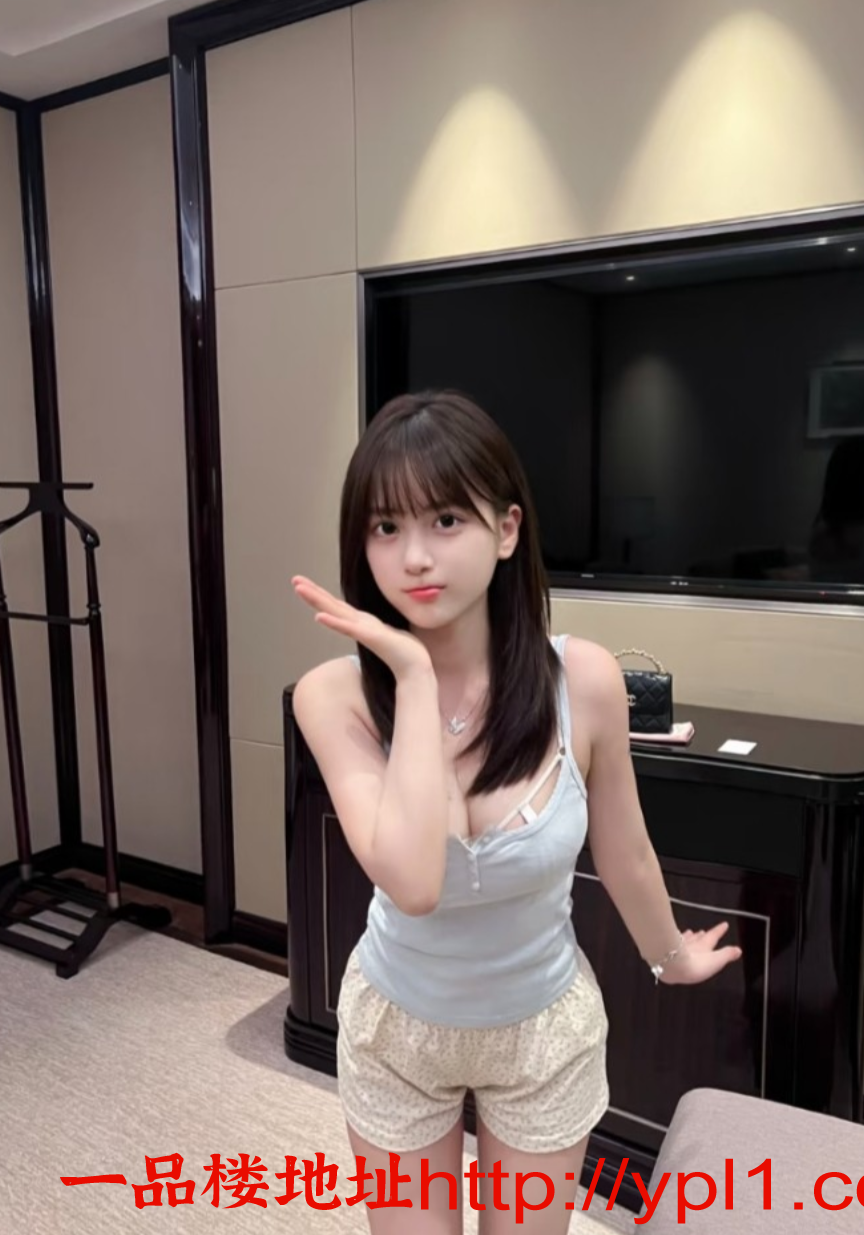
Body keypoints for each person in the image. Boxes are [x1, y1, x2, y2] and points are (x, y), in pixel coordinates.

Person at [291, 390, 742, 1233]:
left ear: (506, 530)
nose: (414, 556)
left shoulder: (585, 681)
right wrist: (414, 680)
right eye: (386, 526)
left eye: (445, 519)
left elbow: (626, 850)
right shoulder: (333, 696)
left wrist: (671, 954)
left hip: (542, 1030)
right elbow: (414, 882)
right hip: (397, 1027)